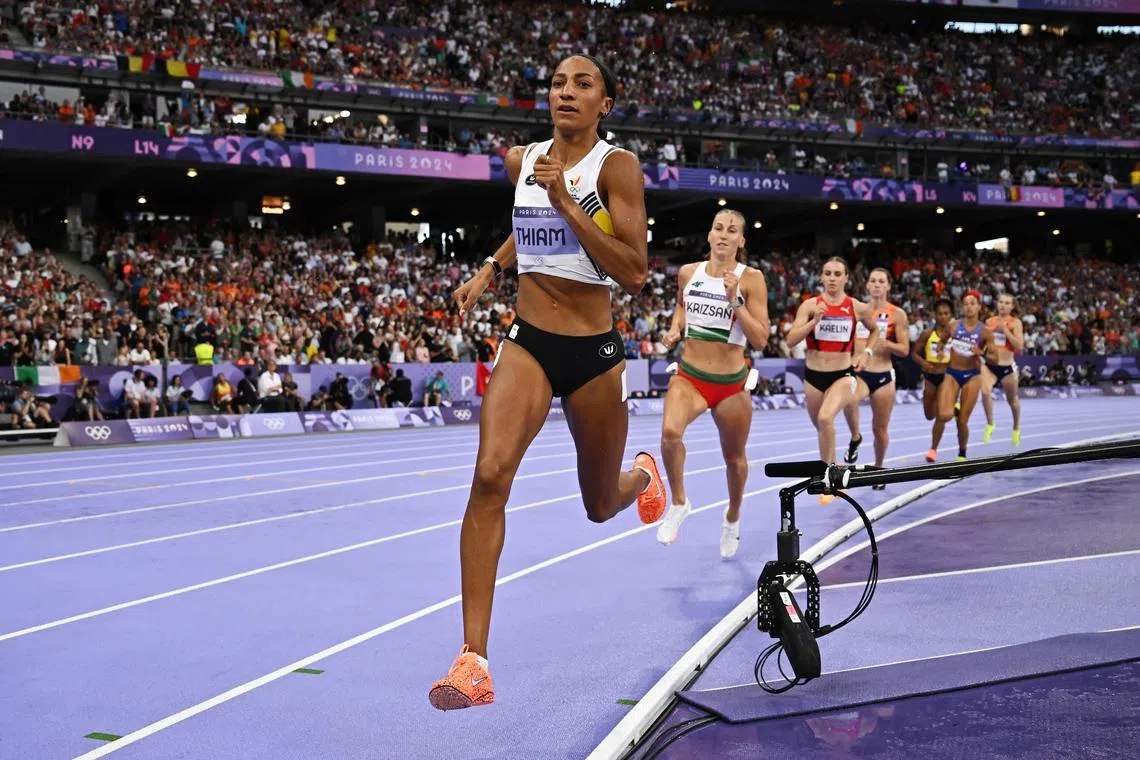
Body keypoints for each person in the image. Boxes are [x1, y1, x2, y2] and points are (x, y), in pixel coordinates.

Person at [428, 54, 666, 712]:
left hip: (593, 352)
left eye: (583, 83)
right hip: (529, 341)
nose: (567, 91)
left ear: (604, 105)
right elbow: (526, 218)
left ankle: (644, 477)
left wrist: (566, 199)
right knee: (489, 475)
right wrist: (490, 267)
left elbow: (635, 269)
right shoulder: (521, 160)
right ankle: (473, 659)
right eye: (559, 82)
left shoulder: (615, 169)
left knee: (598, 504)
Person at [654, 209, 770, 557]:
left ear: (741, 240)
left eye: (731, 230)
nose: (723, 234)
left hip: (731, 385)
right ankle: (679, 502)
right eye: (717, 227)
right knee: (670, 433)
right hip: (690, 376)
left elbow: (761, 339)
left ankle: (732, 518)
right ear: (709, 235)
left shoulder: (752, 279)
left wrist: (736, 301)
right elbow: (681, 305)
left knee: (734, 459)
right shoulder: (689, 272)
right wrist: (676, 329)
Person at [785, 257, 880, 504]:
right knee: (822, 428)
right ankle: (836, 467)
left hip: (843, 374)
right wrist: (814, 322)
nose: (832, 278)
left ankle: (829, 479)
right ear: (821, 277)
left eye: (838, 274)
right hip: (813, 376)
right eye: (828, 273)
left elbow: (875, 330)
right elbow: (790, 340)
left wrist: (866, 353)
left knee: (825, 418)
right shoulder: (809, 306)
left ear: (846, 277)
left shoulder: (856, 307)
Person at [841, 268, 909, 488]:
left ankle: (879, 470)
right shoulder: (857, 309)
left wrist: (886, 343)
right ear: (867, 286)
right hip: (859, 372)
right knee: (848, 400)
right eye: (873, 281)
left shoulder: (897, 314)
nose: (877, 285)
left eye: (882, 281)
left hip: (883, 376)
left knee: (879, 430)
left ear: (888, 286)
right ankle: (854, 438)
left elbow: (905, 349)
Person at [936, 291, 994, 461]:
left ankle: (962, 454)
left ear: (979, 307)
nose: (968, 306)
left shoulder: (984, 332)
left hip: (972, 376)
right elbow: (942, 341)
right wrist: (940, 350)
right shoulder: (954, 325)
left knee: (962, 421)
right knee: (945, 415)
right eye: (966, 303)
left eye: (972, 303)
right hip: (952, 373)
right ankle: (954, 408)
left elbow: (994, 357)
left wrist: (981, 352)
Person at [911, 298, 954, 463]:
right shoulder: (928, 333)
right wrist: (923, 363)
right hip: (930, 377)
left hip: (947, 376)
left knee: (941, 416)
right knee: (929, 415)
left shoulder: (955, 334)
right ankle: (948, 407)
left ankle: (933, 449)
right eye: (940, 314)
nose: (943, 317)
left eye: (946, 314)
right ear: (935, 315)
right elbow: (914, 353)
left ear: (950, 315)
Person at [980, 293, 1025, 447]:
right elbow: (984, 342)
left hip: (1007, 368)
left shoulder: (1015, 323)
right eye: (1000, 302)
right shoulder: (989, 321)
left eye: (1007, 303)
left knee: (1012, 400)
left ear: (1012, 306)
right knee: (985, 392)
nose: (1003, 305)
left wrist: (1004, 331)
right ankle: (990, 424)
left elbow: (1019, 346)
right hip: (990, 365)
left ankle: (1016, 428)